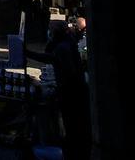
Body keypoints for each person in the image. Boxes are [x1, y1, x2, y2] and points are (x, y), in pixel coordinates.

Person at [27, 23, 90, 159]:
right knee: (75, 127)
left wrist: (60, 89)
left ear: (56, 33)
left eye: (51, 31)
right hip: (73, 92)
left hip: (70, 94)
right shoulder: (66, 44)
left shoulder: (62, 47)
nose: (49, 33)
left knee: (72, 127)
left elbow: (58, 63)